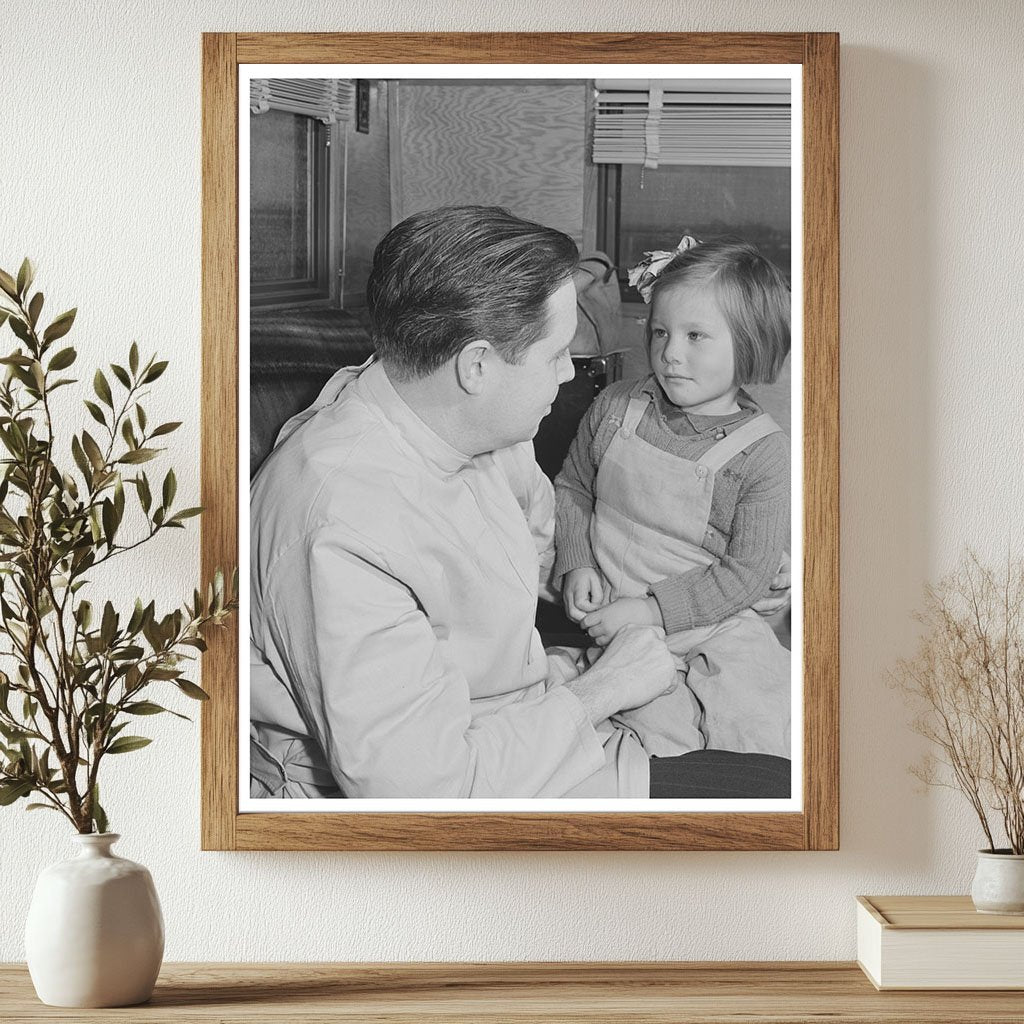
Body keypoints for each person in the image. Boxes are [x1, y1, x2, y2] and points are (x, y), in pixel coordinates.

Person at [249, 207, 790, 800]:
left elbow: (541, 544)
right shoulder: (343, 527)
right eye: (557, 354)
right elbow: (426, 793)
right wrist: (606, 687)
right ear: (477, 364)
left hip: (532, 712)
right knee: (785, 796)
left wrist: (718, 578)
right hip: (486, 782)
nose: (569, 378)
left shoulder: (462, 423)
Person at [554, 237, 792, 759]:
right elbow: (572, 486)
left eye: (695, 336)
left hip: (719, 625)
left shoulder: (765, 453)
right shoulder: (617, 404)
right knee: (646, 733)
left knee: (760, 721)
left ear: (750, 344)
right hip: (618, 616)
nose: (670, 353)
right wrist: (576, 562)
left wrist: (651, 611)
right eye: (660, 331)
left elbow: (744, 576)